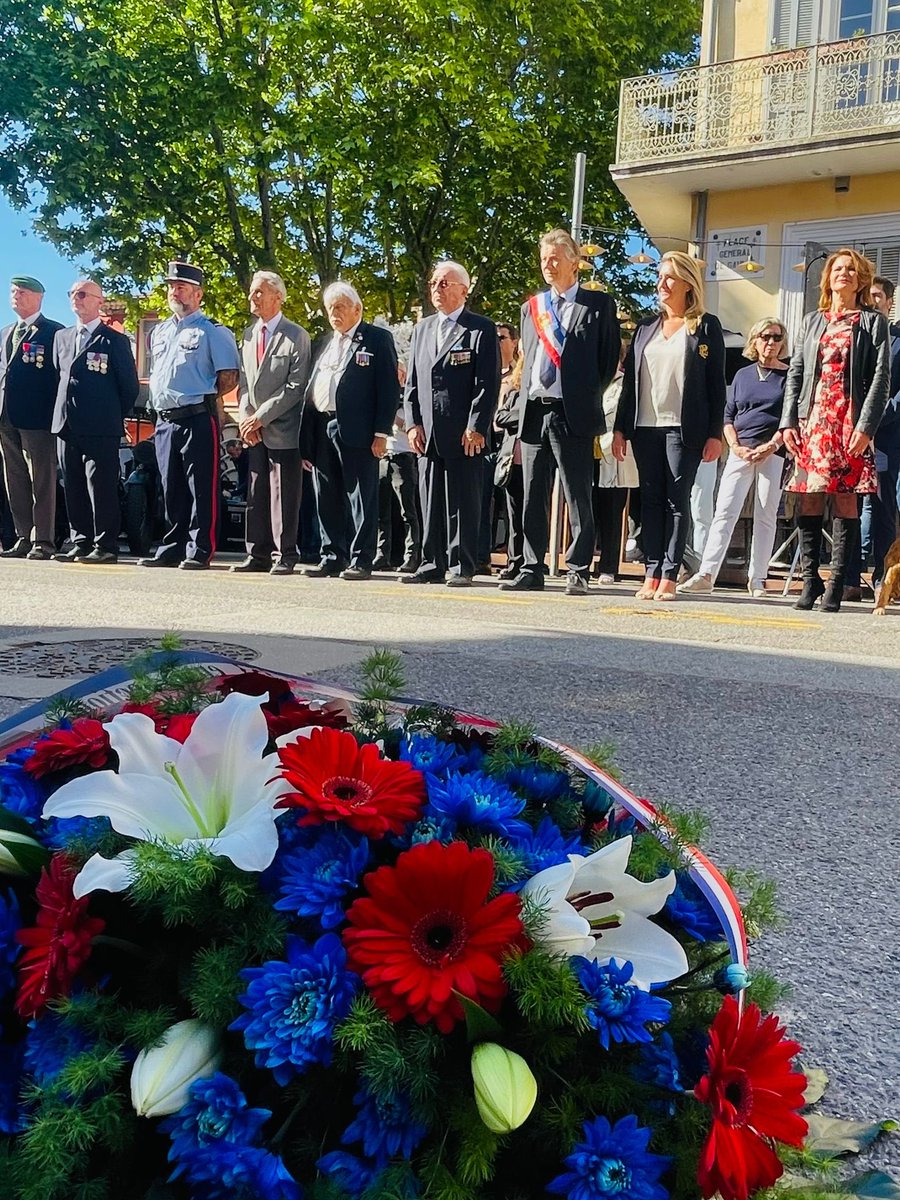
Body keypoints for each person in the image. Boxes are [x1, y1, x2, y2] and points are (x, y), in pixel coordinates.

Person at [500, 229, 619, 596]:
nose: (548, 266)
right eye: (543, 259)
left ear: (574, 260)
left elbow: (607, 360)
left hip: (573, 412)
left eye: (555, 258)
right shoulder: (531, 308)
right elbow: (529, 359)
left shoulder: (597, 305)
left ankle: (578, 567)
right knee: (533, 493)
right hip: (534, 411)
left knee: (577, 493)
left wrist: (582, 394)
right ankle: (532, 566)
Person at [781, 247, 890, 611]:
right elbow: (795, 373)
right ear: (827, 278)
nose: (843, 273)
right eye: (837, 269)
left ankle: (837, 584)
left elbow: (880, 377)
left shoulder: (873, 322)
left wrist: (867, 425)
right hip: (813, 420)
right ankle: (809, 581)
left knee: (845, 499)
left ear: (860, 280)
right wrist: (788, 422)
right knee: (809, 496)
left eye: (851, 270)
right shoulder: (813, 321)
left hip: (849, 420)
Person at [613, 251, 725, 601]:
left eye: (670, 277)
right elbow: (630, 384)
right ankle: (651, 569)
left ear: (687, 284)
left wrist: (714, 433)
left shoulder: (706, 326)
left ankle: (670, 574)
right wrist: (619, 428)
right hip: (645, 426)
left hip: (683, 428)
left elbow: (715, 385)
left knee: (678, 500)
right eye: (660, 277)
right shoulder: (646, 327)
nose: (661, 284)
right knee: (649, 500)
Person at [677, 318, 789, 598]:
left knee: (766, 515)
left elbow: (790, 419)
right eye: (766, 336)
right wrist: (735, 446)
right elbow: (729, 415)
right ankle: (707, 573)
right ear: (755, 340)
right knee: (724, 511)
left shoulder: (789, 377)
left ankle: (758, 578)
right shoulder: (743, 375)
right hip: (741, 450)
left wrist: (771, 446)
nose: (771, 343)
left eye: (777, 338)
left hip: (773, 451)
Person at [403, 261, 499, 586]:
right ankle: (431, 562)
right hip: (427, 432)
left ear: (464, 289)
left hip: (463, 433)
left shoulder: (479, 328)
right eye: (434, 283)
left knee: (462, 501)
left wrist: (476, 425)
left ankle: (462, 566)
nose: (437, 288)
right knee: (429, 501)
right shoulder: (423, 329)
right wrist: (412, 424)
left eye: (445, 283)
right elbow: (412, 384)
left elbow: (486, 383)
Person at [140, 261, 240, 570]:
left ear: (198, 294)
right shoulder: (160, 332)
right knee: (171, 487)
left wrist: (203, 395)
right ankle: (172, 545)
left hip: (197, 415)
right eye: (171, 286)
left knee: (201, 487)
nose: (174, 292)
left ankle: (200, 549)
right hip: (165, 419)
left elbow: (229, 376)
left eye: (181, 287)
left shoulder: (212, 331)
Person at [301, 282, 398, 580]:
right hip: (322, 425)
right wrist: (306, 441)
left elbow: (388, 388)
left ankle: (361, 558)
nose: (335, 313)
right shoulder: (324, 342)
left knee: (361, 496)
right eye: (330, 308)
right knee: (326, 494)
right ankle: (332, 555)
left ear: (358, 309)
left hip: (359, 430)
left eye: (341, 306)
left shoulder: (377, 339)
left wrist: (382, 432)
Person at [51, 280, 139, 563]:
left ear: (98, 301)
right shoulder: (62, 337)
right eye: (72, 294)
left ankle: (106, 544)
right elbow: (58, 378)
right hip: (67, 425)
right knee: (73, 484)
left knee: (100, 486)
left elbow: (129, 386)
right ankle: (81, 540)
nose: (75, 299)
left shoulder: (113, 340)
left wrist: (112, 414)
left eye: (82, 294)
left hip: (101, 426)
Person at [233, 270, 310, 575]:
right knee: (256, 494)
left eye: (259, 292)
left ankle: (286, 553)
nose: (253, 297)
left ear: (278, 296)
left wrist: (260, 417)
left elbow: (295, 385)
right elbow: (242, 381)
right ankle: (257, 554)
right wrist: (244, 419)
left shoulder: (296, 334)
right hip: (254, 431)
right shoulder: (249, 334)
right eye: (252, 292)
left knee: (284, 496)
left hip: (284, 429)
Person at [0, 276, 64, 560]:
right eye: (13, 291)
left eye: (22, 292)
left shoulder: (53, 332)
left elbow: (60, 376)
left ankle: (44, 540)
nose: (16, 296)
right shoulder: (5, 333)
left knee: (42, 479)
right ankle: (23, 536)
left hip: (38, 417)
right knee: (14, 478)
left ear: (39, 297)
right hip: (7, 416)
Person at [854, 275, 900, 605]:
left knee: (883, 508)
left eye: (878, 297)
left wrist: (872, 423)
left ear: (889, 302)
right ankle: (850, 575)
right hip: (847, 435)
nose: (873, 302)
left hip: (885, 437)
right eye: (868, 297)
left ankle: (883, 577)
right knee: (850, 507)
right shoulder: (855, 335)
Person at [593, 337, 639, 584]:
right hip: (589, 456)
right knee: (588, 510)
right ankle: (581, 561)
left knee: (612, 514)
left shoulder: (624, 385)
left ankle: (608, 567)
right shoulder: (592, 382)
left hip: (614, 457)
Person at [373, 360, 422, 573]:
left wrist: (394, 420)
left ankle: (412, 554)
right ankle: (382, 553)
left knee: (407, 510)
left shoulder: (408, 396)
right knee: (381, 511)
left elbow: (411, 424)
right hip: (383, 455)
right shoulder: (381, 394)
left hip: (404, 455)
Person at [493, 347, 525, 580]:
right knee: (513, 514)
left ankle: (532, 560)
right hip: (512, 461)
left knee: (532, 513)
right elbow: (500, 417)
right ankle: (514, 561)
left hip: (536, 461)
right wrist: (524, 415)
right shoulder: (514, 393)